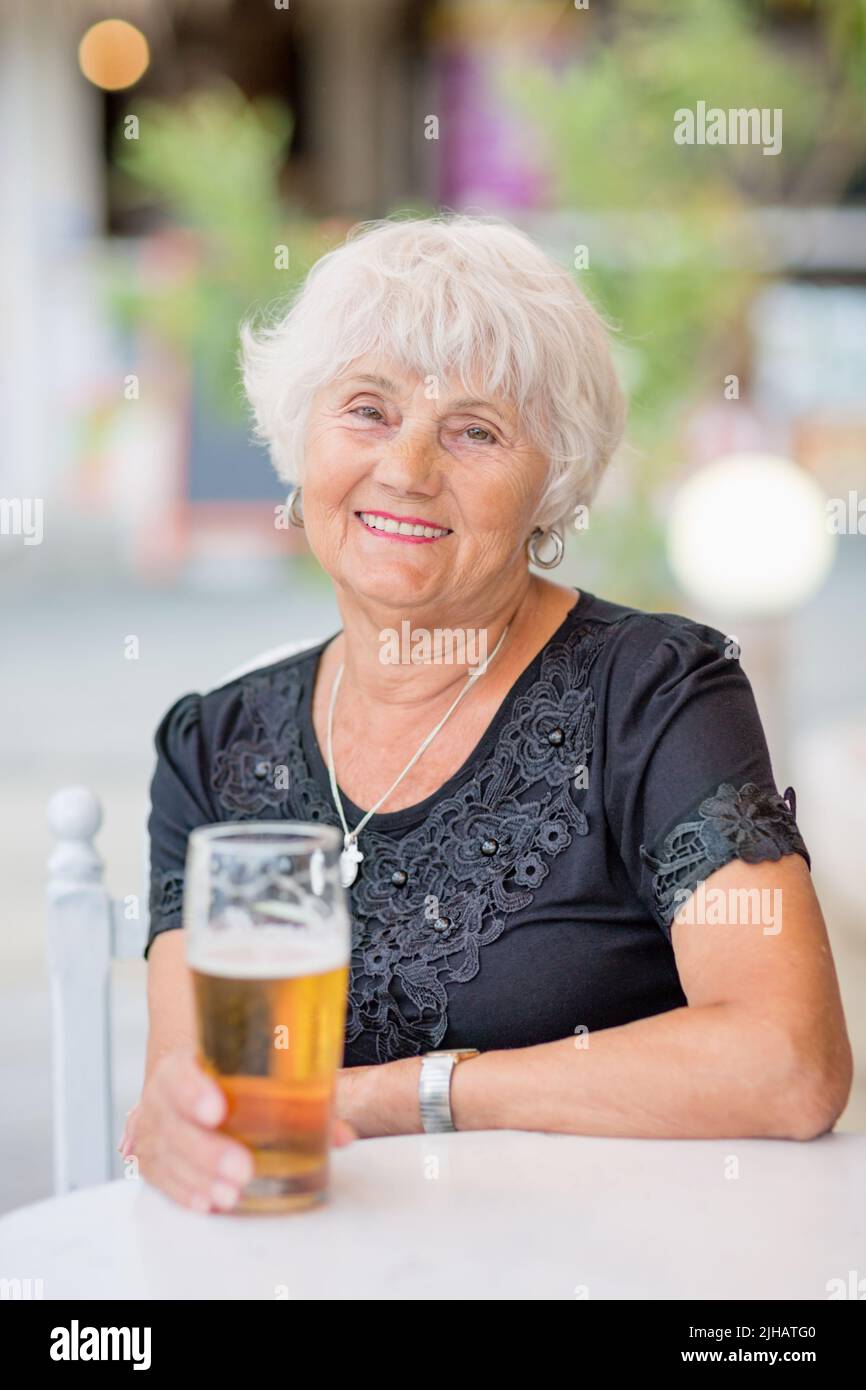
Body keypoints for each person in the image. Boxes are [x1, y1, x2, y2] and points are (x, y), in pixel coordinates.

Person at [123, 214, 852, 1213]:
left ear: (548, 482)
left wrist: (400, 1097)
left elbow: (788, 1062)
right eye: (368, 411)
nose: (408, 469)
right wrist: (175, 1131)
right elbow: (193, 1107)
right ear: (301, 437)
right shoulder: (213, 748)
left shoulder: (653, 691)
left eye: (474, 430)